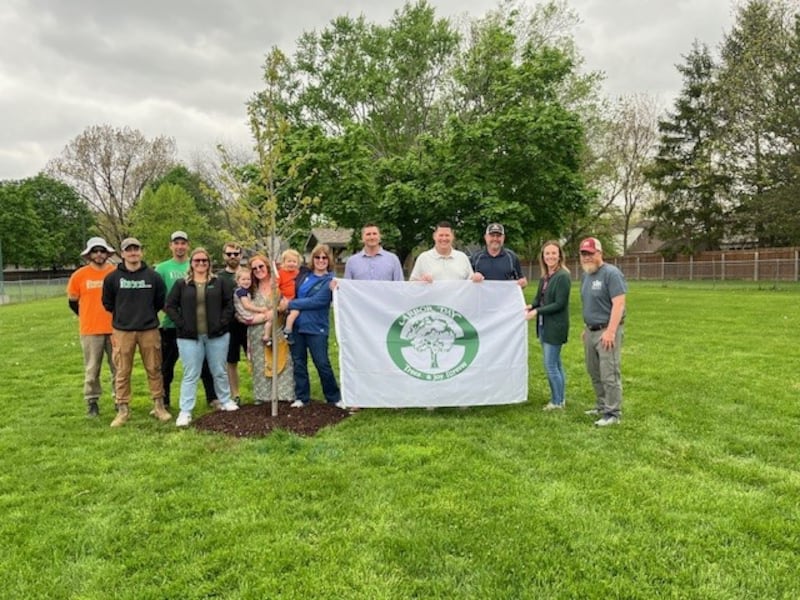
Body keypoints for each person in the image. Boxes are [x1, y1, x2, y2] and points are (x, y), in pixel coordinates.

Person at [165, 248, 239, 427]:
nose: (201, 264)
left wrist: (222, 322)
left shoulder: (219, 282)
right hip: (189, 337)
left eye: (204, 261)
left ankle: (225, 400)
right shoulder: (182, 284)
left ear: (209, 263)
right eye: (197, 261)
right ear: (191, 263)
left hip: (217, 336)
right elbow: (170, 306)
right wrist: (182, 324)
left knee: (219, 370)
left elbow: (229, 305)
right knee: (191, 374)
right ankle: (185, 411)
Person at [101, 237, 170, 427]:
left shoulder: (153, 277)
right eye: (129, 250)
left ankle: (158, 406)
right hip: (123, 331)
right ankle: (123, 409)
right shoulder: (113, 278)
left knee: (154, 368)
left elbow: (159, 301)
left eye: (136, 249)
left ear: (141, 251)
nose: (133, 253)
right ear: (122, 254)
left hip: (149, 329)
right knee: (122, 370)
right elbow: (107, 303)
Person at [155, 231, 217, 410]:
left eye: (183, 243)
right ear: (171, 246)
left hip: (199, 325)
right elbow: (159, 298)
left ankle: (212, 397)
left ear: (187, 245)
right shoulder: (162, 269)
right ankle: (164, 401)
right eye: (176, 243)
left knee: (205, 364)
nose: (180, 246)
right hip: (171, 325)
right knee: (167, 366)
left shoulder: (197, 265)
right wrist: (175, 315)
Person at [283, 244, 341, 407]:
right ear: (312, 259)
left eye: (324, 257)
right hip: (297, 327)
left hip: (317, 327)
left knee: (322, 363)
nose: (321, 260)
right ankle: (302, 397)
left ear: (329, 260)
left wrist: (291, 304)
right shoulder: (303, 276)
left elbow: (319, 301)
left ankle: (334, 397)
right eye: (317, 257)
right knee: (299, 363)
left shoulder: (330, 280)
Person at [66, 236, 118, 417]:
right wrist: (87, 316)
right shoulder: (79, 275)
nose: (98, 254)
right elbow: (72, 302)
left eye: (102, 251)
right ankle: (92, 401)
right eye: (95, 251)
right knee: (92, 368)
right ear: (89, 255)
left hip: (114, 328)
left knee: (118, 367)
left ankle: (120, 400)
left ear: (106, 253)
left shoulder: (115, 273)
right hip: (90, 330)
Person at [579, 237, 627, 427]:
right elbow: (590, 303)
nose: (587, 257)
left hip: (607, 330)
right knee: (594, 370)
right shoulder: (586, 276)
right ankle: (601, 405)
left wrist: (611, 331)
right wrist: (587, 328)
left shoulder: (611, 273)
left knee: (609, 372)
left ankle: (613, 413)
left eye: (590, 253)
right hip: (591, 331)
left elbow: (619, 303)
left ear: (600, 253)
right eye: (583, 254)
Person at [525, 240, 571, 410]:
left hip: (555, 327)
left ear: (559, 255)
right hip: (544, 326)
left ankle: (557, 402)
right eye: (547, 254)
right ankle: (560, 398)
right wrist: (530, 306)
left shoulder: (563, 276)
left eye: (553, 253)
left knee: (551, 365)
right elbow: (539, 299)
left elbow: (559, 304)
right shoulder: (545, 277)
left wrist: (537, 312)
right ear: (543, 257)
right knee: (556, 364)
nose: (550, 257)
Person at [247, 254, 295, 405]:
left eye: (261, 266)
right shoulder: (251, 288)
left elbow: (287, 302)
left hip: (277, 328)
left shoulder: (278, 283)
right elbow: (243, 308)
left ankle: (283, 395)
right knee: (260, 363)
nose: (258, 270)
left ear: (267, 266)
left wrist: (276, 310)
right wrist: (262, 317)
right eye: (254, 269)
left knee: (282, 361)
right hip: (256, 331)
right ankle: (263, 396)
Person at [216, 242, 248, 405]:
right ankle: (235, 394)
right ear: (224, 256)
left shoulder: (248, 275)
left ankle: (262, 393)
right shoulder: (219, 278)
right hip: (229, 325)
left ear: (241, 256)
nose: (233, 257)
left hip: (250, 323)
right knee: (231, 361)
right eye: (229, 254)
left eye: (236, 253)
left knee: (255, 358)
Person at [409, 221, 477, 282]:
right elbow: (412, 285)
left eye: (447, 235)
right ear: (434, 236)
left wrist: (476, 278)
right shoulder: (423, 258)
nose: (444, 239)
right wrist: (421, 281)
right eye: (441, 235)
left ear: (453, 236)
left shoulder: (462, 258)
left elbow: (471, 283)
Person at [470, 223, 528, 287]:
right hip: (481, 296)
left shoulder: (512, 257)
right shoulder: (475, 257)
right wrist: (473, 277)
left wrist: (523, 283)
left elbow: (521, 280)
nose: (495, 239)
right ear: (485, 237)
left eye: (498, 236)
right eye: (492, 235)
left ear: (503, 238)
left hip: (505, 296)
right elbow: (466, 281)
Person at [276, 248, 302, 344]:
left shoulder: (298, 273)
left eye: (294, 261)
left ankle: (287, 330)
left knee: (294, 313)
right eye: (289, 261)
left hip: (295, 300)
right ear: (284, 262)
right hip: (284, 299)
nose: (292, 264)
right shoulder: (281, 273)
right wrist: (282, 297)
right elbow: (276, 286)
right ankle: (282, 332)